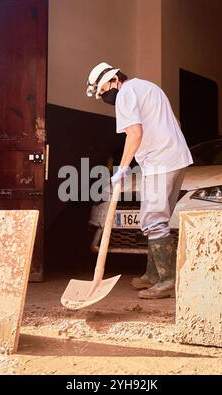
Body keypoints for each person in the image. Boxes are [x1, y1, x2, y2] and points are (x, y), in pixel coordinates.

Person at [86, 62, 193, 299]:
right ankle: (153, 275)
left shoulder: (125, 94)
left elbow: (134, 133)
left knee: (154, 220)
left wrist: (122, 169)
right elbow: (177, 123)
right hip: (178, 159)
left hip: (160, 162)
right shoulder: (149, 87)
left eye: (102, 91)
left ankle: (167, 280)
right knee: (156, 219)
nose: (103, 96)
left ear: (113, 79)